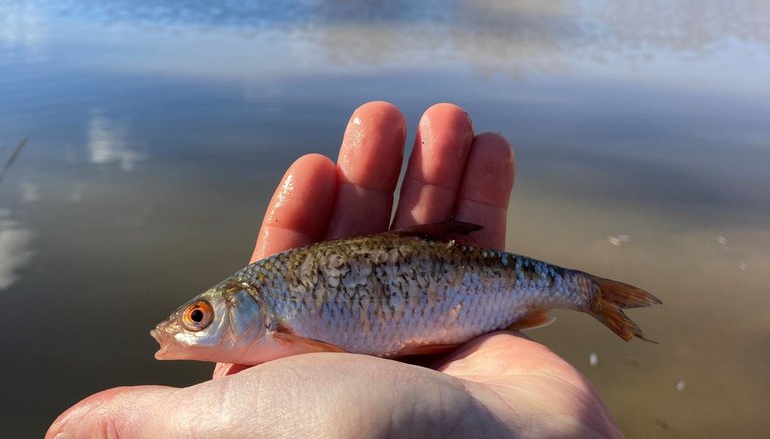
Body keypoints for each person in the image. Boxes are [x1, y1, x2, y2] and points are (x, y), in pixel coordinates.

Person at [46, 102, 622, 438]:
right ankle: (586, 291)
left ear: (251, 306)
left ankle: (588, 293)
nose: (187, 328)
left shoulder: (274, 319)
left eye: (199, 317)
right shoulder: (265, 325)